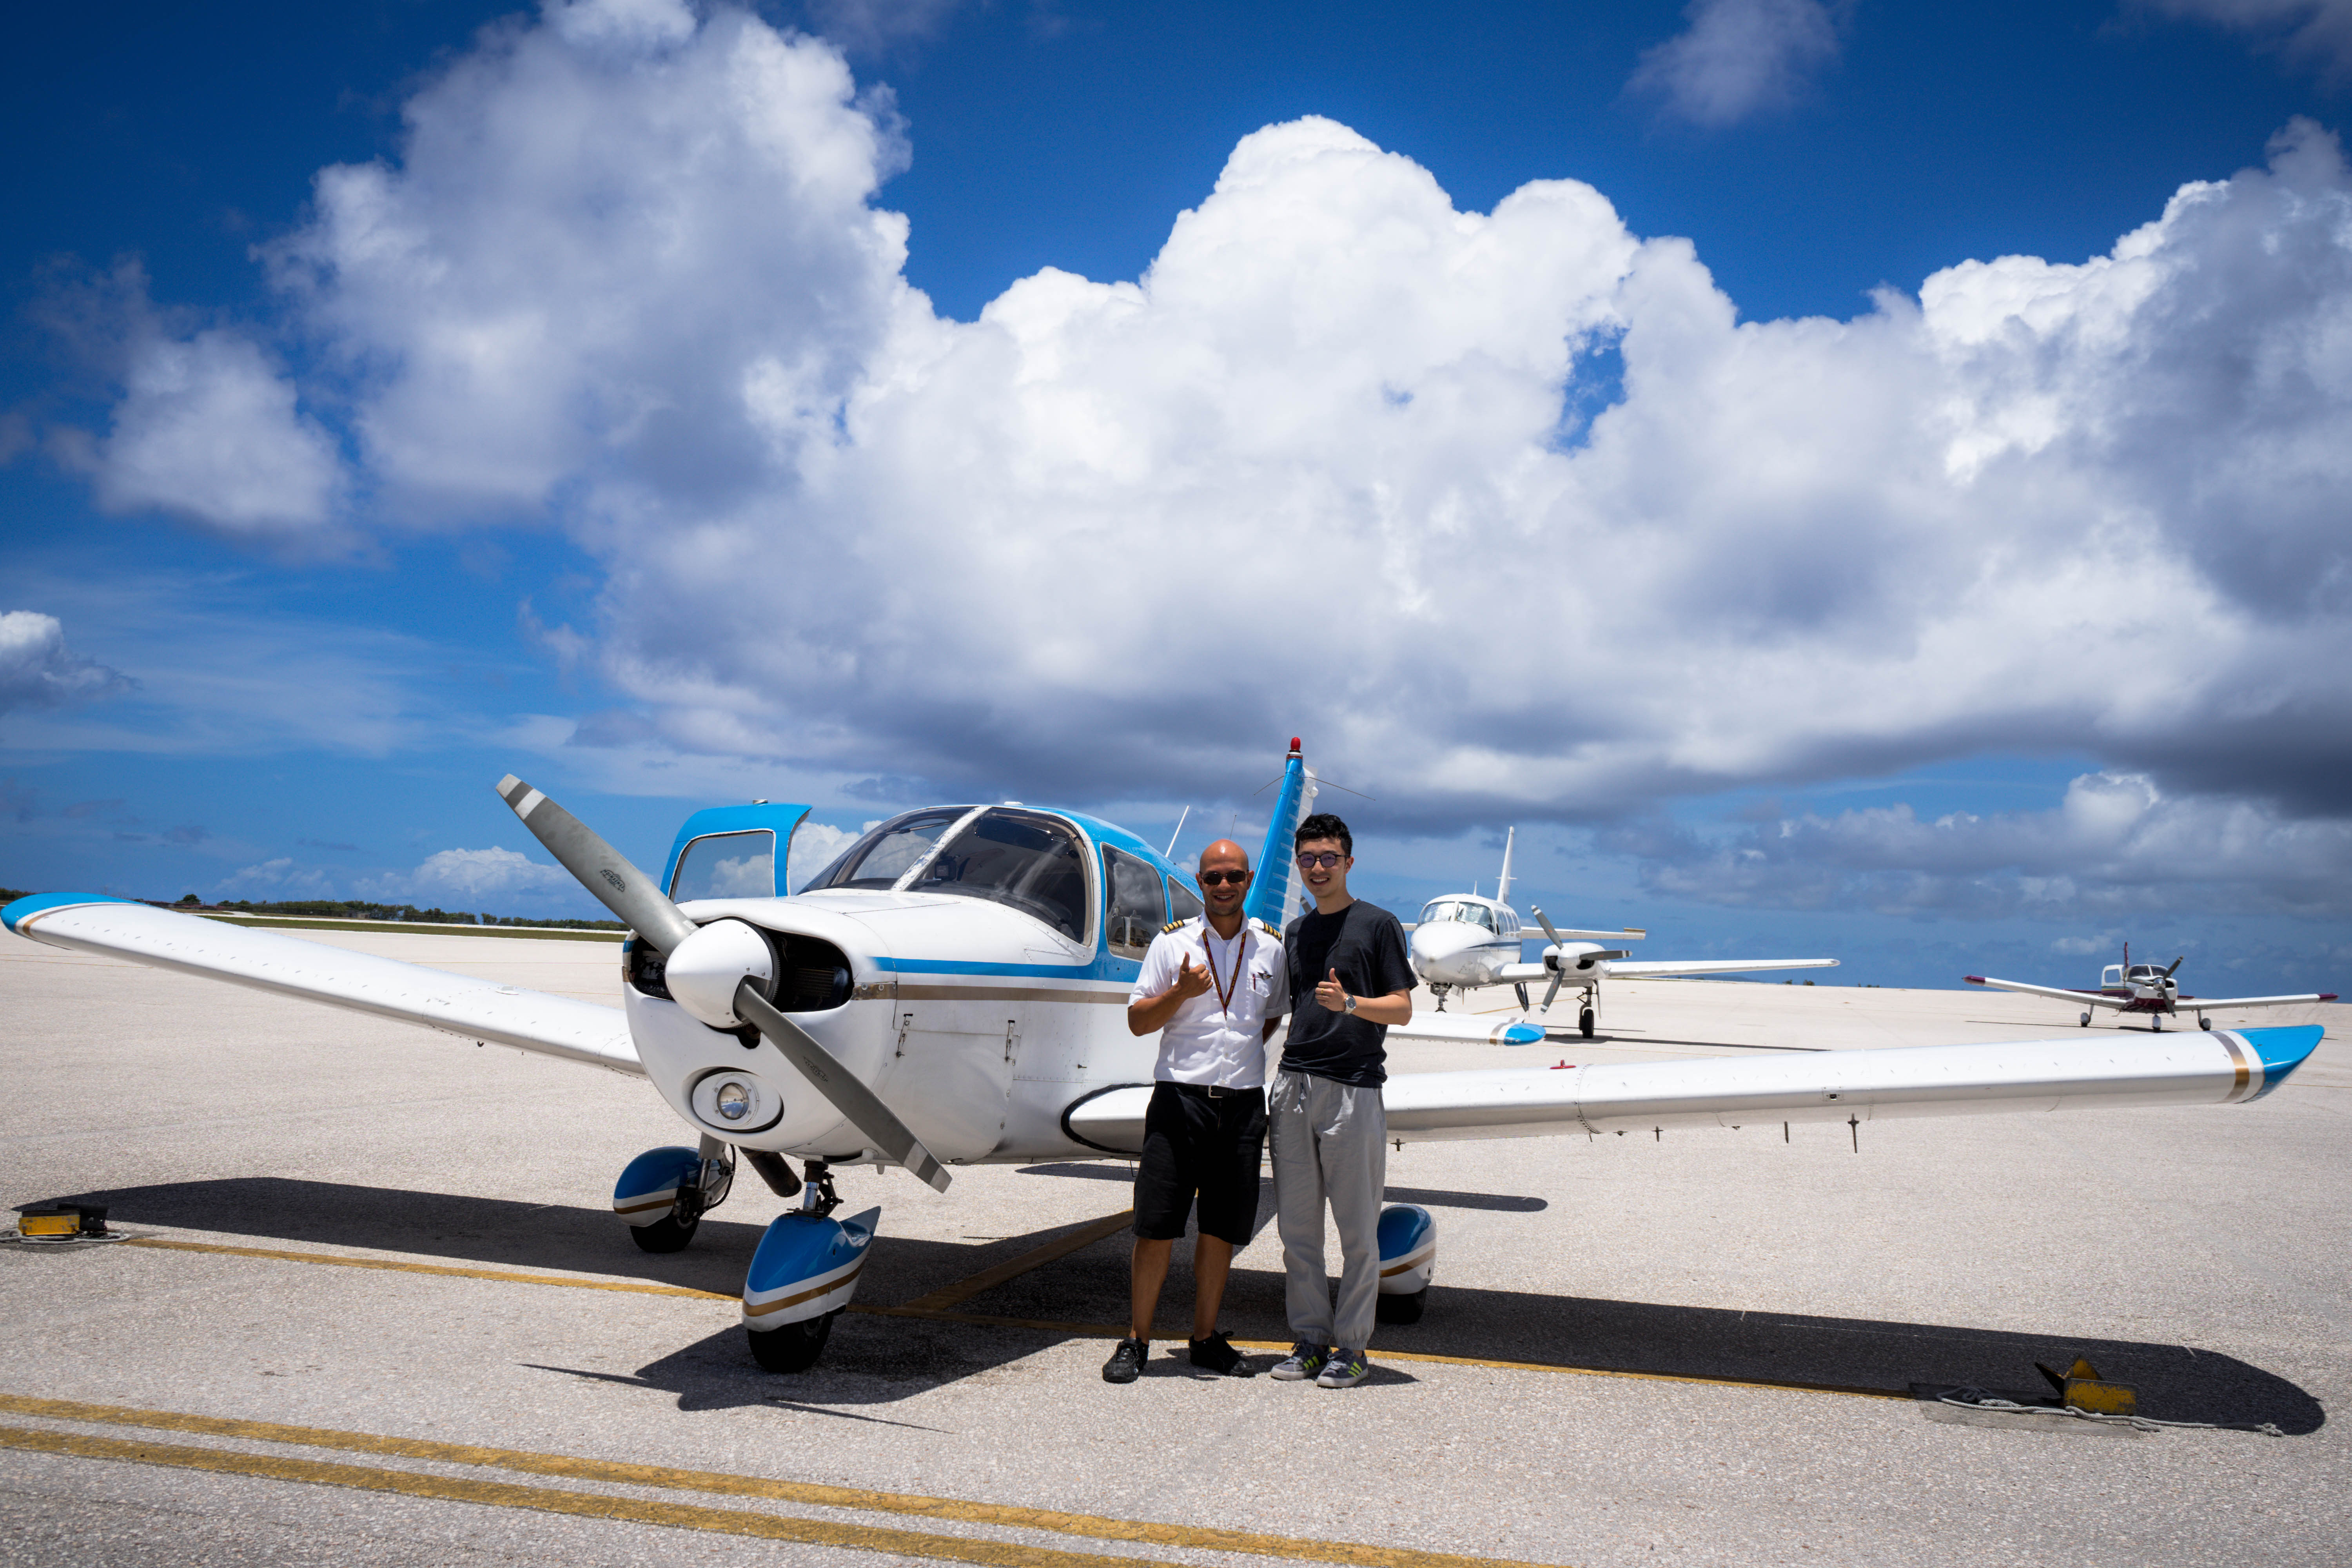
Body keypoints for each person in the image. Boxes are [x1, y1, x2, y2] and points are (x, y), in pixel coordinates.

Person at [1103, 839, 1290, 1384]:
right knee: (1156, 1226)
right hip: (1179, 1101)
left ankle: (1205, 1338)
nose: (1225, 886)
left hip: (1241, 1106)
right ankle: (1136, 1341)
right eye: (1214, 878)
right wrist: (1181, 992)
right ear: (1200, 882)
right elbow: (1139, 1022)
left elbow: (1269, 1020)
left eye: (1234, 876)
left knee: (1221, 1230)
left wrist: (1234, 1063)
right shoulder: (1171, 944)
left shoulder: (1270, 950)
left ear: (1248, 880)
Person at [1267, 813, 1415, 1389]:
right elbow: (1288, 1005)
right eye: (1308, 859)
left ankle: (1352, 1348)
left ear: (1349, 863)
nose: (1319, 868)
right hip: (1294, 1086)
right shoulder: (1297, 932)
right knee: (1298, 1232)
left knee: (1356, 1231)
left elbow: (1402, 1007)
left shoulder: (1378, 925)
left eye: (1330, 858)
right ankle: (1309, 1340)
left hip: (1353, 1087)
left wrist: (1352, 1004)